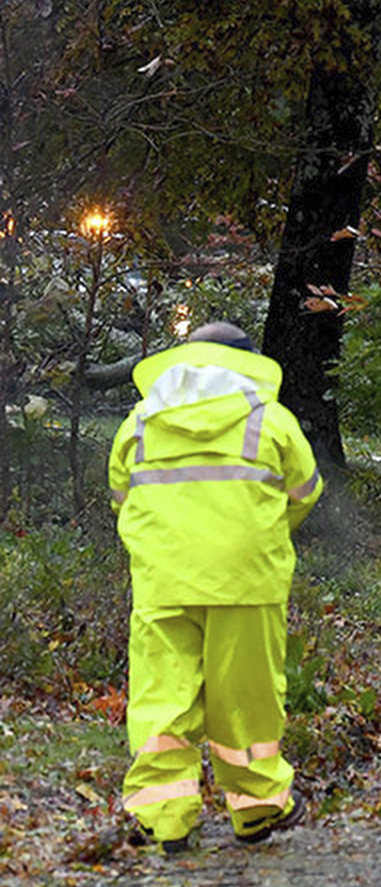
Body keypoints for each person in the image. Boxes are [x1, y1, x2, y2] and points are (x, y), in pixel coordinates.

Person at [108, 321, 321, 853]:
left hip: (163, 582)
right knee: (246, 698)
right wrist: (257, 535)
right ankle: (257, 808)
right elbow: (305, 492)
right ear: (247, 363)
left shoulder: (139, 423)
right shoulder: (272, 421)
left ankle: (164, 818)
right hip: (247, 581)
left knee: (162, 697)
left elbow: (121, 498)